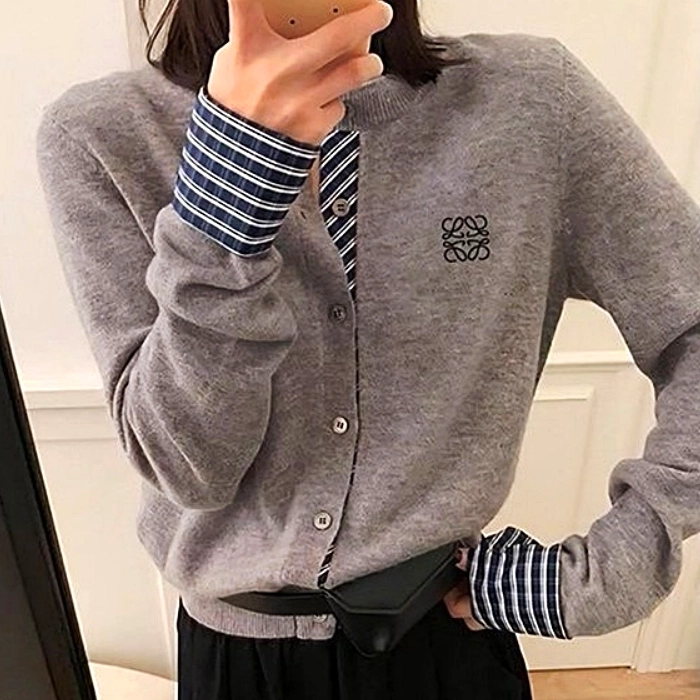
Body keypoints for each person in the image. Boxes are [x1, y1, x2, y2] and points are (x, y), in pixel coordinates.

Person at [34, 0, 700, 697]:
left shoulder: (531, 102)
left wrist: (611, 570)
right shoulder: (102, 135)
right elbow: (188, 467)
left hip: (446, 641)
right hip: (236, 665)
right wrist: (226, 199)